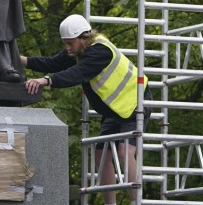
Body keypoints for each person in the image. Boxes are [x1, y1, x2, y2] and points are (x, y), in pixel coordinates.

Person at [22, 15, 151, 205]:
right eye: (65, 43)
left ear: (83, 38)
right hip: (115, 110)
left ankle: (136, 201)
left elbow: (77, 74)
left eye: (70, 43)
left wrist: (46, 81)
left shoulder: (100, 51)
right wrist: (19, 60)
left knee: (124, 152)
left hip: (135, 104)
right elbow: (51, 63)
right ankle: (110, 204)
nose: (67, 47)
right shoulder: (80, 50)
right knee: (101, 155)